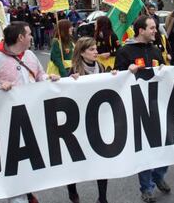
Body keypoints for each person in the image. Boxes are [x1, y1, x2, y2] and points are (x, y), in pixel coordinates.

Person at [0, 21, 59, 203]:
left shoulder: (29, 55)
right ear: (20, 37)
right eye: (28, 34)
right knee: (13, 161)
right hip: (8, 120)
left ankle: (30, 193)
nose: (31, 37)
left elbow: (39, 75)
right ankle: (17, 197)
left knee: (32, 160)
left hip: (32, 116)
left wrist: (47, 78)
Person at [115, 16, 168, 203]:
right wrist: (125, 71)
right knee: (145, 147)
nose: (156, 31)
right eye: (152, 28)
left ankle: (159, 174)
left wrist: (164, 69)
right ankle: (147, 188)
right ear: (140, 31)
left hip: (157, 104)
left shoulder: (155, 50)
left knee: (167, 142)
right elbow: (114, 79)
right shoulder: (124, 51)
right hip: (136, 106)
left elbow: (162, 74)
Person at [66, 36, 109, 203]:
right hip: (77, 124)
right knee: (75, 161)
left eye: (96, 48)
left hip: (97, 122)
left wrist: (112, 77)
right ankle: (73, 192)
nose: (96, 52)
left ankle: (103, 198)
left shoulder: (101, 67)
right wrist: (69, 82)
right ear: (82, 52)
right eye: (91, 49)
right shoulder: (73, 71)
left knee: (101, 160)